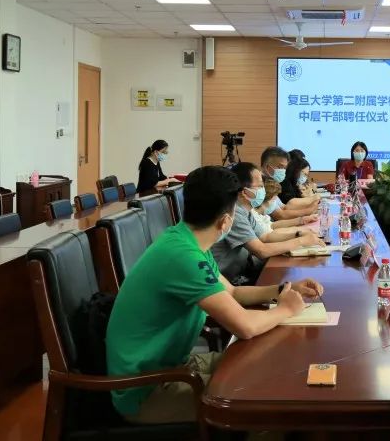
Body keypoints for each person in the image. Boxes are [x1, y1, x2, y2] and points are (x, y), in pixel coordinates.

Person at [105, 166, 323, 424]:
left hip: (175, 365)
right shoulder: (184, 257)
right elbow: (245, 326)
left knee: (272, 367)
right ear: (226, 221)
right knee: (268, 399)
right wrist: (286, 309)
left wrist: (283, 290)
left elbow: (232, 292)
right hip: (147, 389)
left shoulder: (184, 240)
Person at [211, 162, 325, 284]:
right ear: (245, 191)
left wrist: (298, 234)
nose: (263, 190)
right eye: (260, 186)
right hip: (226, 281)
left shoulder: (245, 209)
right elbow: (262, 251)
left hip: (240, 272)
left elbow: (266, 237)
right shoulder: (235, 212)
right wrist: (301, 241)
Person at [260, 146, 318, 221]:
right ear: (267, 167)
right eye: (280, 167)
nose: (283, 171)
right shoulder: (260, 185)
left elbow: (284, 207)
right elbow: (280, 215)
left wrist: (309, 210)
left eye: (284, 168)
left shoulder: (271, 183)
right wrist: (308, 211)